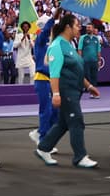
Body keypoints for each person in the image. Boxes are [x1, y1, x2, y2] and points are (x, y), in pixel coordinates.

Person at [35, 14, 100, 168]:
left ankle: (43, 148)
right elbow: (54, 73)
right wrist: (56, 93)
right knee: (76, 121)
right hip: (66, 91)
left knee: (63, 124)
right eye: (77, 25)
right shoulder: (56, 46)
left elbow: (77, 70)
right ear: (68, 27)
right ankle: (80, 156)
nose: (80, 28)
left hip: (75, 90)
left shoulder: (69, 45)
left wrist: (89, 86)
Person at [29, 13, 58, 148]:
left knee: (56, 112)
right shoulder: (40, 40)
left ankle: (42, 133)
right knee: (46, 110)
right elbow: (46, 30)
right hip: (41, 79)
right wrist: (54, 17)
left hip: (52, 79)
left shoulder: (52, 42)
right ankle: (43, 139)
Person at [78, 23, 103, 94]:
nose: (88, 29)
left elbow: (98, 50)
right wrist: (80, 60)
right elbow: (80, 49)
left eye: (89, 27)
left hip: (94, 61)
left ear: (93, 28)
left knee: (94, 76)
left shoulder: (96, 39)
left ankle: (93, 91)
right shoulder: (83, 38)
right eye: (87, 27)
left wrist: (99, 61)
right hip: (85, 61)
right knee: (87, 75)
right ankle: (88, 89)